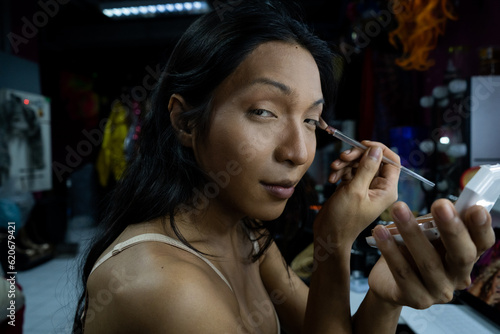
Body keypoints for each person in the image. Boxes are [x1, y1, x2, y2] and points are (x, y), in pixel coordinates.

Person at [73, 1, 495, 333]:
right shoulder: (169, 290)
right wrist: (334, 239)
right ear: (186, 121)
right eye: (263, 111)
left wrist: (385, 295)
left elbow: (322, 327)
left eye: (311, 121)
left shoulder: (244, 232)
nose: (298, 152)